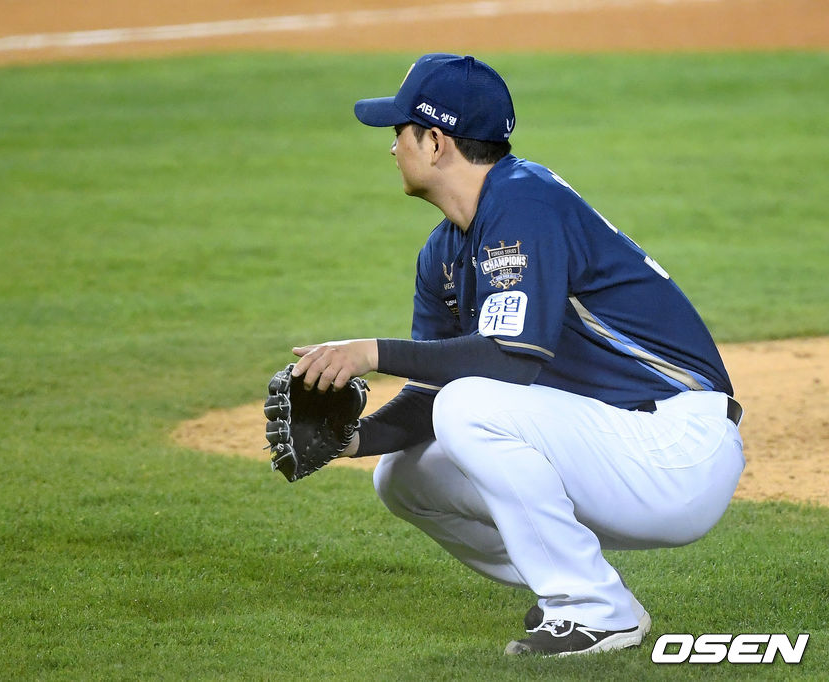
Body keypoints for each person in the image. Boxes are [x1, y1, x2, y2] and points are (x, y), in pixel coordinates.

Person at [289, 53, 745, 656]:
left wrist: (370, 352)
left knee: (470, 405)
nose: (390, 148)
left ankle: (592, 609)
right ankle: (589, 593)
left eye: (398, 132)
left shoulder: (524, 200)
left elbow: (508, 359)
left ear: (435, 140)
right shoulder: (444, 252)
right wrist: (348, 439)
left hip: (676, 450)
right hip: (612, 449)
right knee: (402, 476)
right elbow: (429, 394)